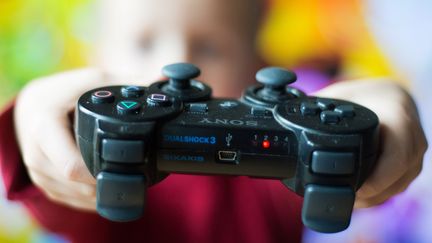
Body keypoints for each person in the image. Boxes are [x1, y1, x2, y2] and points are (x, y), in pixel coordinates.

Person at [0, 0, 427, 242]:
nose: (176, 63)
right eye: (144, 41)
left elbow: (349, 168)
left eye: (211, 46)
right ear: (96, 61)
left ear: (258, 67)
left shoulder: (271, 178)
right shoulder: (91, 162)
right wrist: (31, 122)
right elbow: (53, 184)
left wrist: (374, 119)